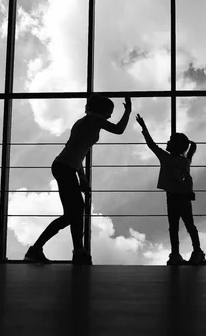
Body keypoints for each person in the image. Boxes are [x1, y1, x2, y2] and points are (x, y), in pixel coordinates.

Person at [24, 94, 132, 264]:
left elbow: (77, 153)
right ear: (101, 110)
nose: (110, 115)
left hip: (65, 167)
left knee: (72, 214)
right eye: (109, 111)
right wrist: (128, 112)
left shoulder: (82, 122)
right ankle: (70, 251)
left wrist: (82, 178)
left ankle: (49, 250)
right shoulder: (95, 119)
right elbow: (119, 130)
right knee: (74, 212)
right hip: (65, 168)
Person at [135, 114, 206, 265]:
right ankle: (197, 251)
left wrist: (144, 128)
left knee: (174, 227)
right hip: (183, 197)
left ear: (175, 146)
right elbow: (188, 177)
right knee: (189, 225)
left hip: (173, 197)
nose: (167, 142)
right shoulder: (183, 160)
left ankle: (176, 254)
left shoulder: (166, 158)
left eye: (170, 140)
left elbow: (151, 144)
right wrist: (189, 191)